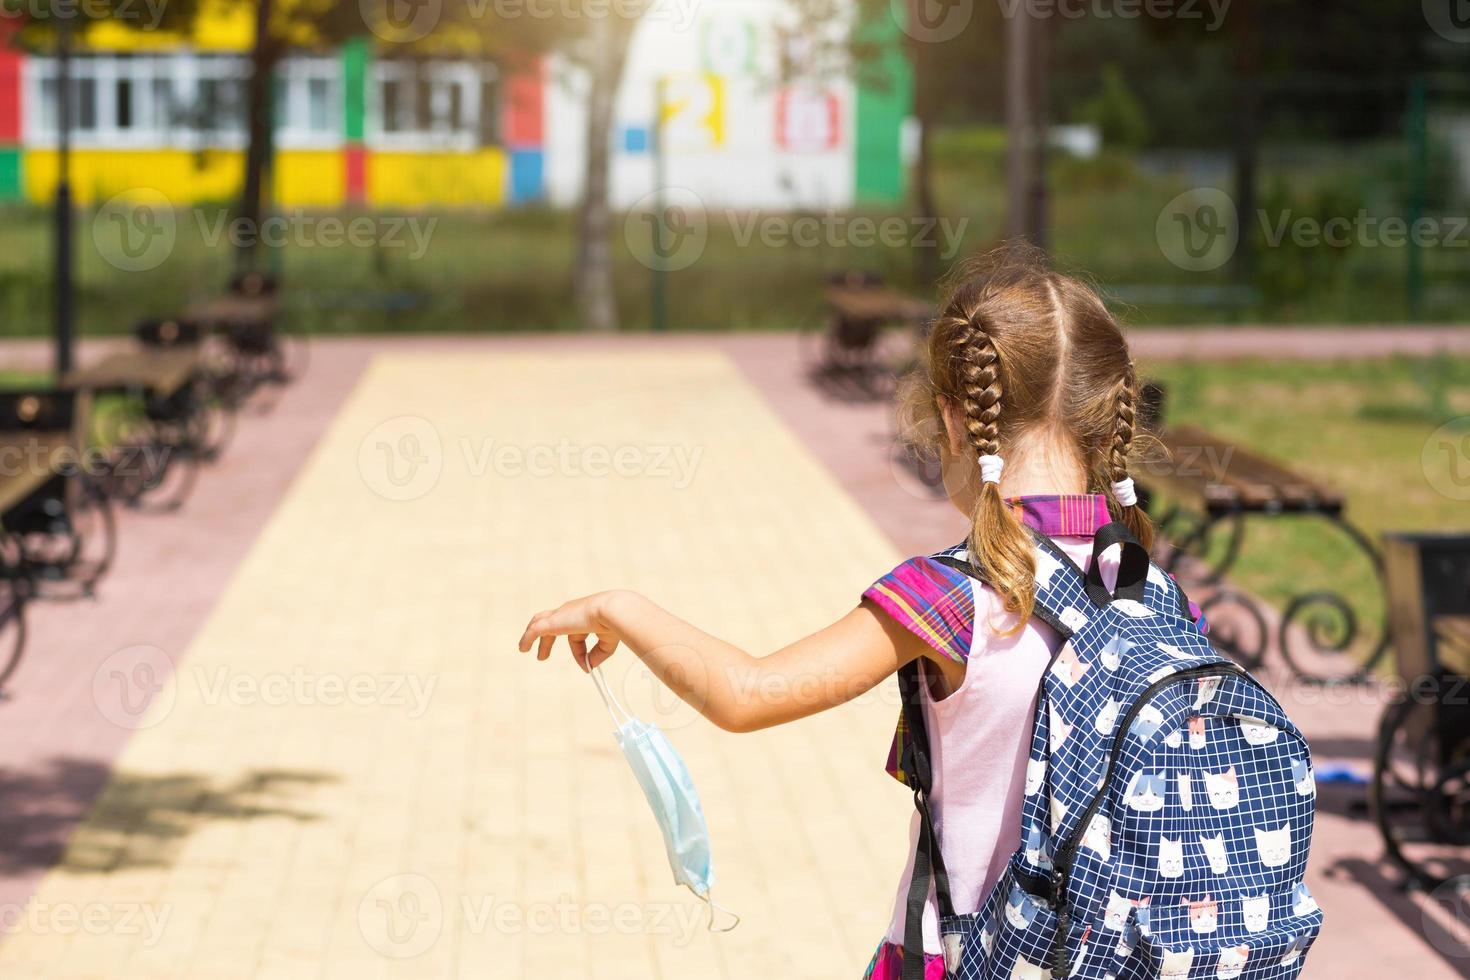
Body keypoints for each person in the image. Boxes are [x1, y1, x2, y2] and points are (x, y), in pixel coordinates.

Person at [517, 250, 1156, 979]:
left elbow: (747, 694)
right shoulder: (1156, 596)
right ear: (1109, 419)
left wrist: (618, 607)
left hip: (973, 957)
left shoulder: (950, 596)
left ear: (954, 419)